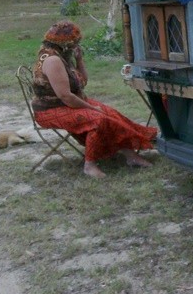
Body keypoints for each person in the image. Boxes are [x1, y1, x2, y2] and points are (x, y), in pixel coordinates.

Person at [31, 20, 157, 178]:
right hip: (50, 110)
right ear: (65, 44)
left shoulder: (61, 55)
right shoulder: (53, 60)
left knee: (110, 113)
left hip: (65, 104)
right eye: (75, 43)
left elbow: (82, 82)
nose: (77, 46)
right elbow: (66, 96)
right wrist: (91, 108)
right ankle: (89, 165)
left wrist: (79, 60)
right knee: (98, 120)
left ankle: (131, 156)